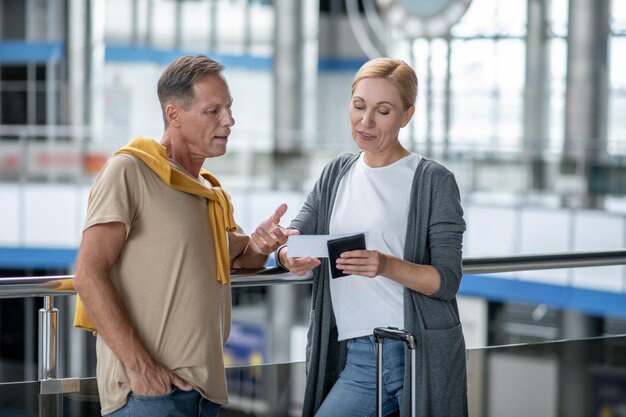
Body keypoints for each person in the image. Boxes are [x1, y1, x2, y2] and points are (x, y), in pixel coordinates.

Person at [73, 55, 291, 417]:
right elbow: (88, 274)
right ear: (174, 115)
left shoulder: (210, 191)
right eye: (213, 111)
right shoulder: (129, 170)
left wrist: (259, 245)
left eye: (229, 108)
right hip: (149, 395)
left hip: (204, 394)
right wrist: (142, 369)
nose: (229, 120)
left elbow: (236, 262)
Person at [276, 58, 468, 417]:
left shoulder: (432, 180)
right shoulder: (337, 173)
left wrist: (385, 264)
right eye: (359, 106)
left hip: (412, 350)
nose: (365, 121)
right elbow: (297, 233)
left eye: (383, 111)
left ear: (406, 115)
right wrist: (287, 254)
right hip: (358, 350)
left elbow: (447, 281)